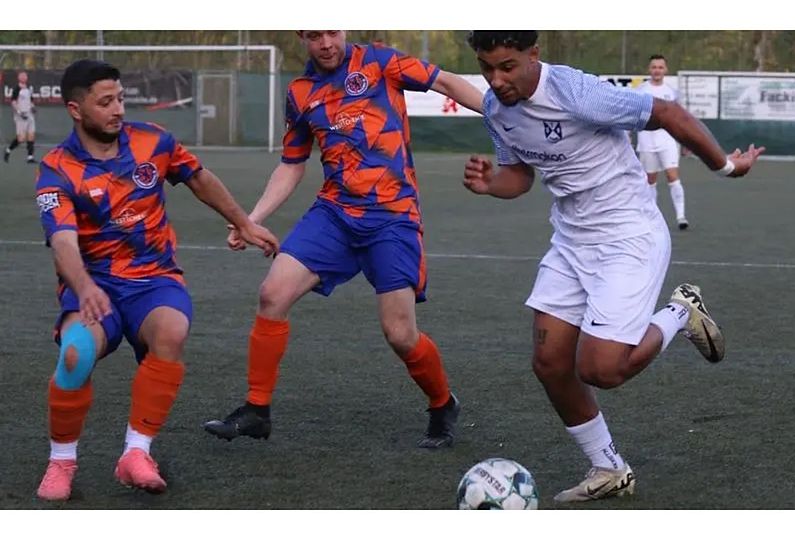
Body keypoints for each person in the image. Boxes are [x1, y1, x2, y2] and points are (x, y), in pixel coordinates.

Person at [463, 31, 764, 503]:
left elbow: (667, 114)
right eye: (486, 67)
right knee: (550, 363)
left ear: (533, 55)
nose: (496, 80)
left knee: (602, 369)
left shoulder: (574, 92)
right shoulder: (498, 109)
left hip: (629, 236)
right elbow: (519, 176)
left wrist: (725, 166)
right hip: (570, 241)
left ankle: (681, 311)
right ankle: (608, 468)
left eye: (507, 66)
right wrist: (490, 183)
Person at [203, 30, 485, 450]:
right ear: (302, 36)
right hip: (334, 214)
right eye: (314, 35)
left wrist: (499, 114)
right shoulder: (300, 92)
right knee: (272, 294)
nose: (325, 42)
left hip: (392, 216)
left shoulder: (380, 62)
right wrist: (249, 220)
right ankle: (256, 410)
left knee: (400, 333)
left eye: (331, 30)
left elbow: (444, 81)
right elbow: (291, 165)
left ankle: (442, 404)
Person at [33, 59, 279, 501]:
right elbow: (63, 240)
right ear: (75, 109)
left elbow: (198, 177)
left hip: (153, 279)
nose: (117, 109)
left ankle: (136, 453)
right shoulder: (56, 168)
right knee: (75, 355)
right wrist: (85, 286)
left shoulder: (153, 141)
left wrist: (242, 222)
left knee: (171, 330)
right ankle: (61, 462)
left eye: (120, 99)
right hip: (95, 286)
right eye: (105, 102)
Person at [635, 55, 688, 229]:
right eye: (654, 67)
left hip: (667, 142)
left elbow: (681, 119)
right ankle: (653, 218)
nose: (657, 70)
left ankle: (681, 217)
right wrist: (626, 135)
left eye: (660, 67)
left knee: (673, 177)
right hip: (646, 142)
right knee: (650, 180)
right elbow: (631, 115)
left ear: (665, 70)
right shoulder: (641, 91)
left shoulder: (672, 92)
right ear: (649, 70)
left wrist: (686, 142)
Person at [4, 71, 37, 164]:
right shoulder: (17, 89)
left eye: (25, 76)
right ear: (19, 78)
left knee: (31, 135)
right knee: (21, 138)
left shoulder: (28, 89)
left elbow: (31, 100)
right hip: (21, 116)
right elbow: (13, 102)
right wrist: (19, 113)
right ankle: (8, 150)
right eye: (22, 76)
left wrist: (33, 107)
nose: (24, 77)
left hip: (29, 114)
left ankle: (30, 157)